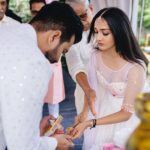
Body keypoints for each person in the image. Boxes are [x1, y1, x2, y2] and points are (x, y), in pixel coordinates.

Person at [0, 1, 83, 150]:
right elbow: (23, 147)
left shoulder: (5, 32)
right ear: (54, 36)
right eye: (63, 51)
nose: (58, 59)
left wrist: (32, 129)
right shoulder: (35, 62)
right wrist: (55, 143)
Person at [71, 7, 148, 150]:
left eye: (104, 33)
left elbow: (126, 114)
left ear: (119, 32)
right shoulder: (95, 56)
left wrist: (90, 122)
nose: (98, 38)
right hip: (102, 111)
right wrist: (84, 113)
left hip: (125, 120)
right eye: (95, 31)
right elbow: (92, 90)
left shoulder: (136, 68)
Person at [65, 0, 96, 116]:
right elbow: (75, 66)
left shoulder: (108, 26)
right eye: (75, 18)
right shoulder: (71, 35)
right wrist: (88, 90)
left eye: (83, 16)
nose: (81, 22)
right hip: (84, 92)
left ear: (91, 9)